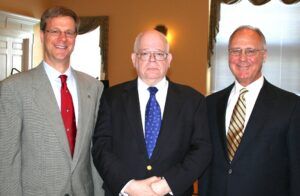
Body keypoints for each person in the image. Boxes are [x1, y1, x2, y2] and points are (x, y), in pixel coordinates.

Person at [92, 30, 212, 196]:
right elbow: (101, 147)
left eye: (159, 54)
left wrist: (166, 185)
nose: (152, 59)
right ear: (134, 59)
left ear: (169, 59)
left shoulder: (193, 100)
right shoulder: (112, 98)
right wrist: (129, 186)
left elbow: (202, 149)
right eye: (145, 53)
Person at [0, 6, 104, 195]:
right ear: (42, 36)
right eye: (55, 31)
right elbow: (7, 159)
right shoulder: (13, 88)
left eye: (69, 33)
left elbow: (93, 151)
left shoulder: (94, 87)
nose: (62, 39)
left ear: (75, 38)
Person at [198, 25, 300, 196]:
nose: (242, 58)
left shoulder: (291, 106)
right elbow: (205, 161)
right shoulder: (210, 104)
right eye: (235, 51)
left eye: (250, 51)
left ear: (264, 55)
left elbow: (297, 170)